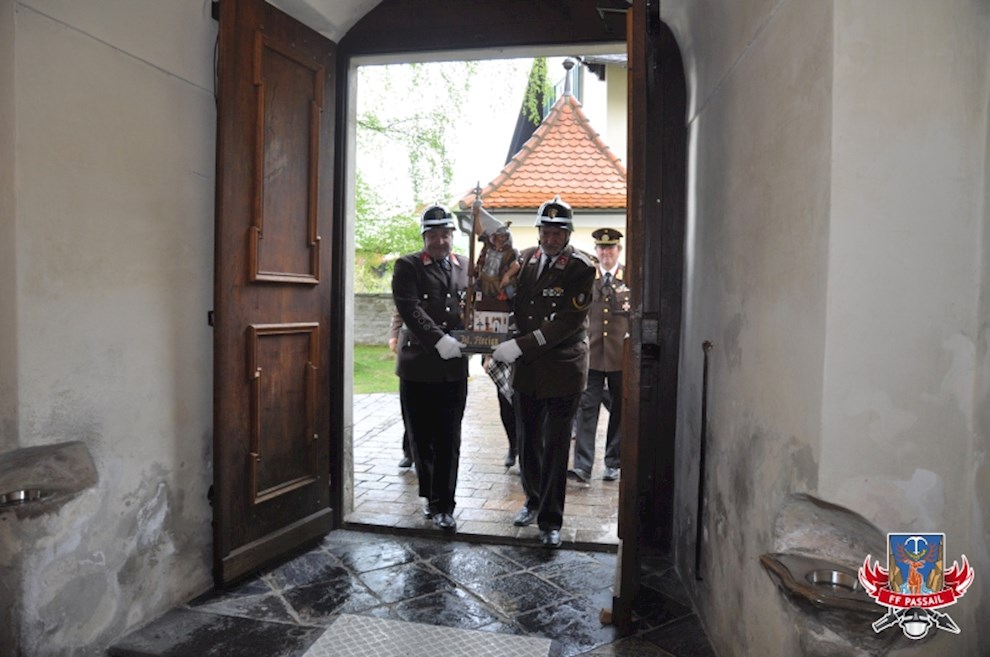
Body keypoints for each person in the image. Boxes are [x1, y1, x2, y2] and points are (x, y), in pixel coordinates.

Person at [491, 195, 595, 548]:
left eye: (557, 233)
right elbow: (513, 305)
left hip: (563, 368)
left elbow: (566, 322)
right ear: (538, 232)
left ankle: (551, 519)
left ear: (568, 234)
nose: (550, 239)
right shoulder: (527, 261)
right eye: (546, 232)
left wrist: (519, 345)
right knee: (528, 440)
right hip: (528, 370)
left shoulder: (581, 268)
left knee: (555, 446)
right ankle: (532, 499)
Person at [392, 204, 469, 532]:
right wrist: (439, 340)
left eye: (445, 234)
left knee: (450, 436)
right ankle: (430, 495)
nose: (440, 241)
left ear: (452, 235)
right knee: (422, 436)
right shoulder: (408, 266)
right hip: (419, 365)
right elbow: (410, 309)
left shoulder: (466, 265)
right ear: (424, 237)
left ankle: (444, 504)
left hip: (454, 368)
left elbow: (476, 306)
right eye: (433, 235)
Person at [569, 228, 631, 482]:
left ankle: (613, 462)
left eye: (611, 248)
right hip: (592, 354)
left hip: (620, 356)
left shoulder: (630, 277)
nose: (606, 253)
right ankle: (582, 466)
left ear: (619, 250)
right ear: (596, 251)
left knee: (620, 410)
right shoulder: (586, 279)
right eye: (602, 248)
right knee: (586, 408)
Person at [388, 306, 413, 468]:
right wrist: (394, 335)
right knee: (411, 409)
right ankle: (409, 452)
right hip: (411, 351)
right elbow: (399, 311)